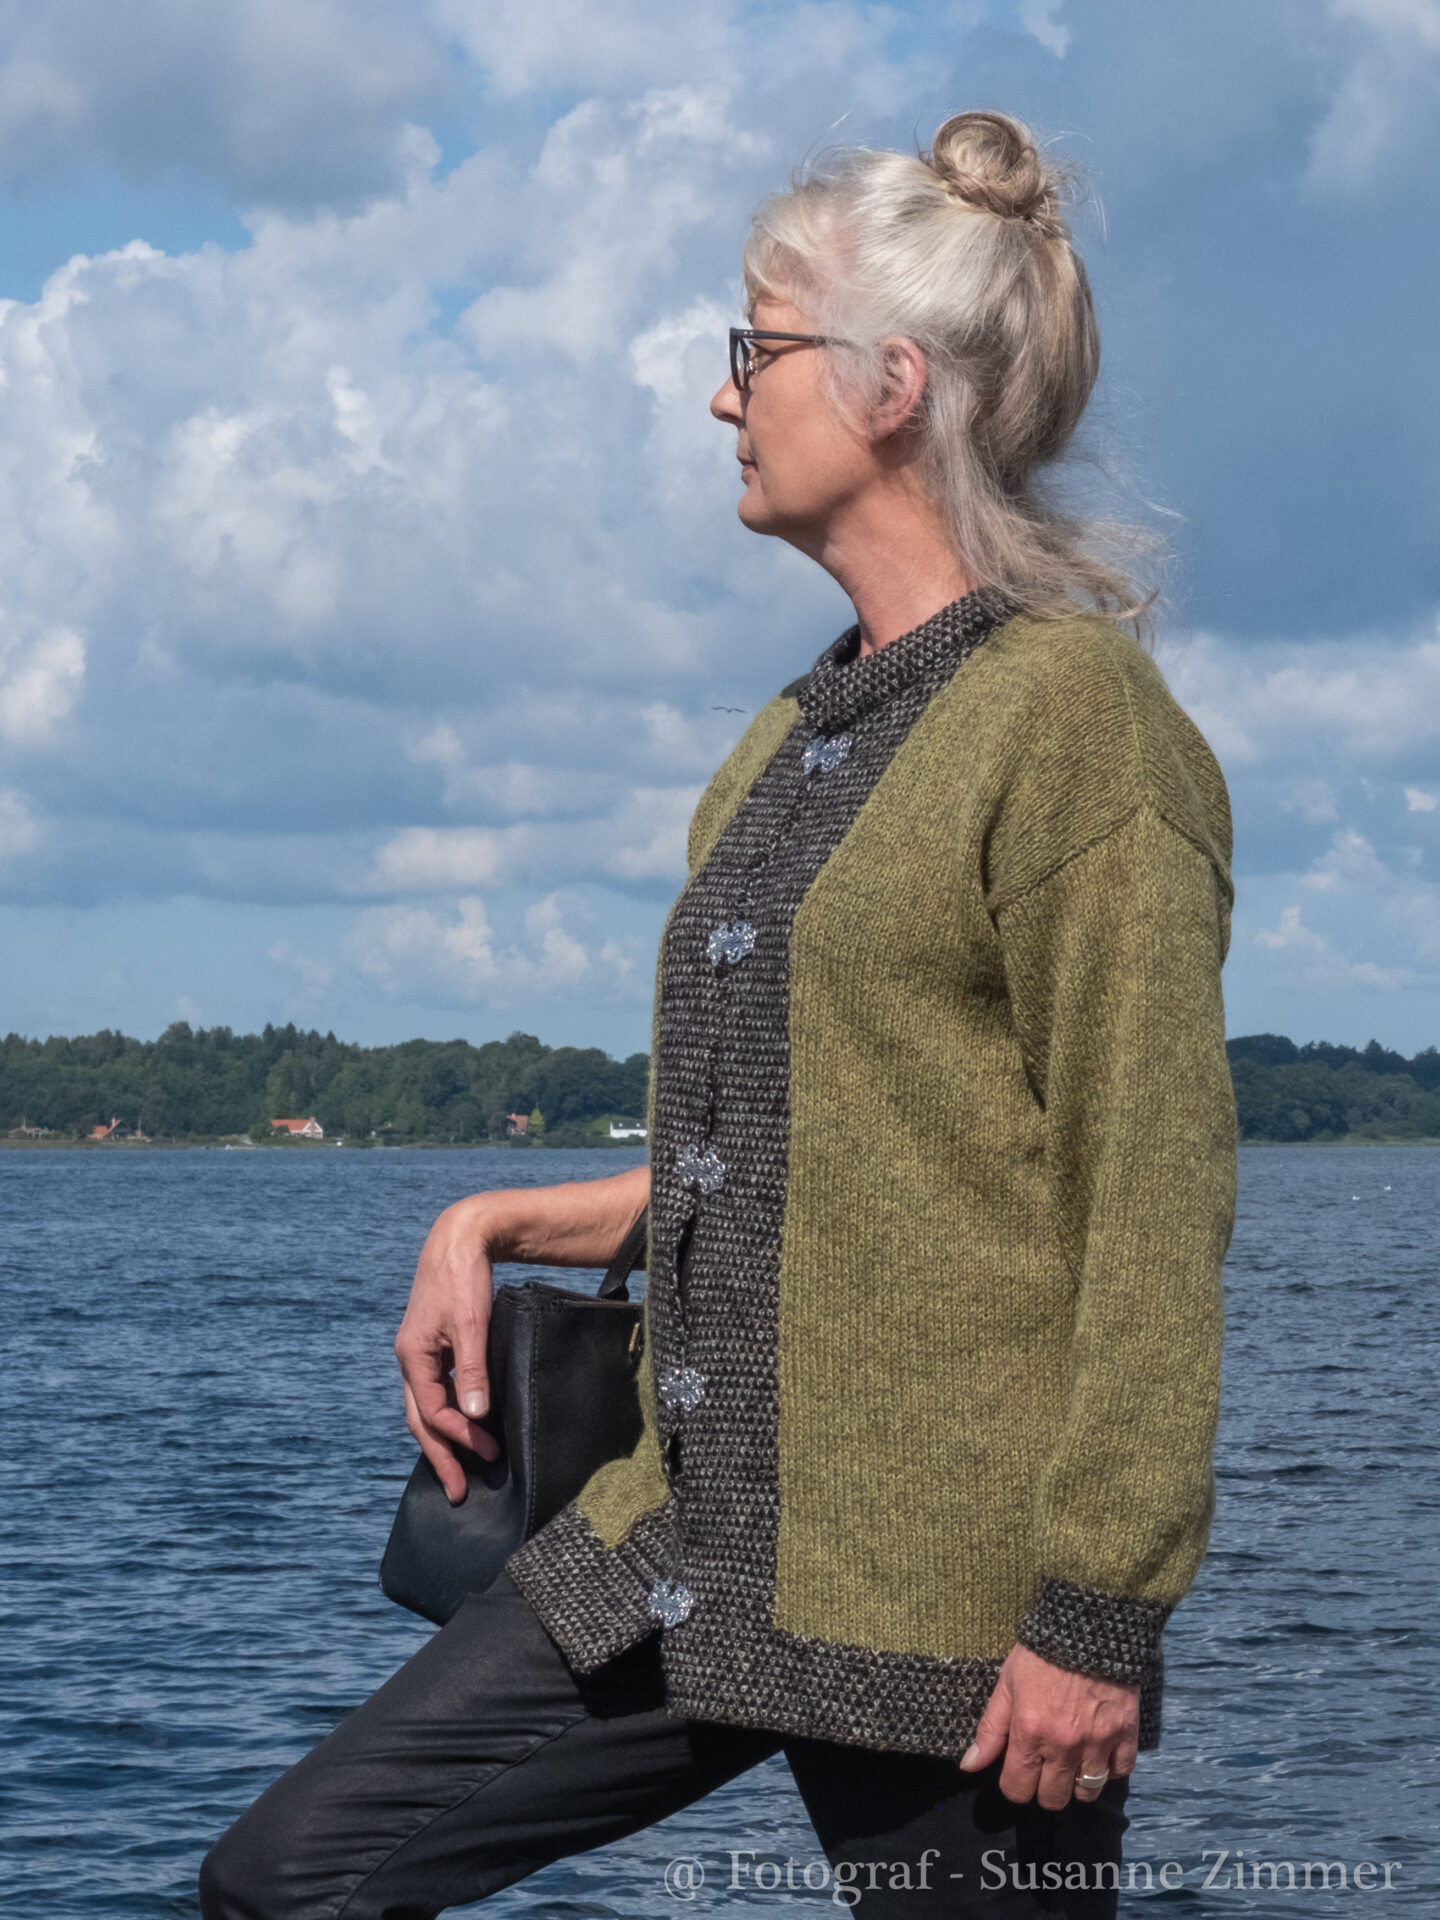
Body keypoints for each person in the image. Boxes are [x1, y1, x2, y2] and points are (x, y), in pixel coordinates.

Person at [201, 111, 1236, 1919]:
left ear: (891, 384)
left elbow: (1149, 1205)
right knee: (288, 1879)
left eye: (753, 349)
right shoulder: (790, 737)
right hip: (682, 1547)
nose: (721, 395)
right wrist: (497, 1216)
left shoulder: (1079, 728)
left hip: (950, 1607)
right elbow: (798, 1151)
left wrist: (1097, 1617)